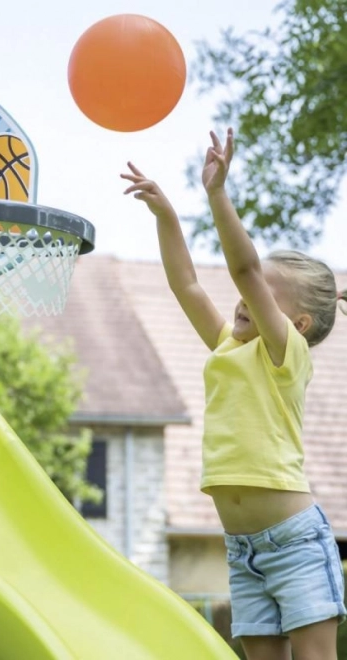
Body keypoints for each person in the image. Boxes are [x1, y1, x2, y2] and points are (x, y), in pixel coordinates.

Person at [121, 128, 347, 660]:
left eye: (261, 293)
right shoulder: (228, 344)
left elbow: (243, 268)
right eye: (248, 292)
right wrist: (167, 217)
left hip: (292, 541)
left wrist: (218, 194)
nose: (244, 297)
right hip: (242, 548)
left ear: (297, 320)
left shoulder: (285, 354)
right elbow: (188, 286)